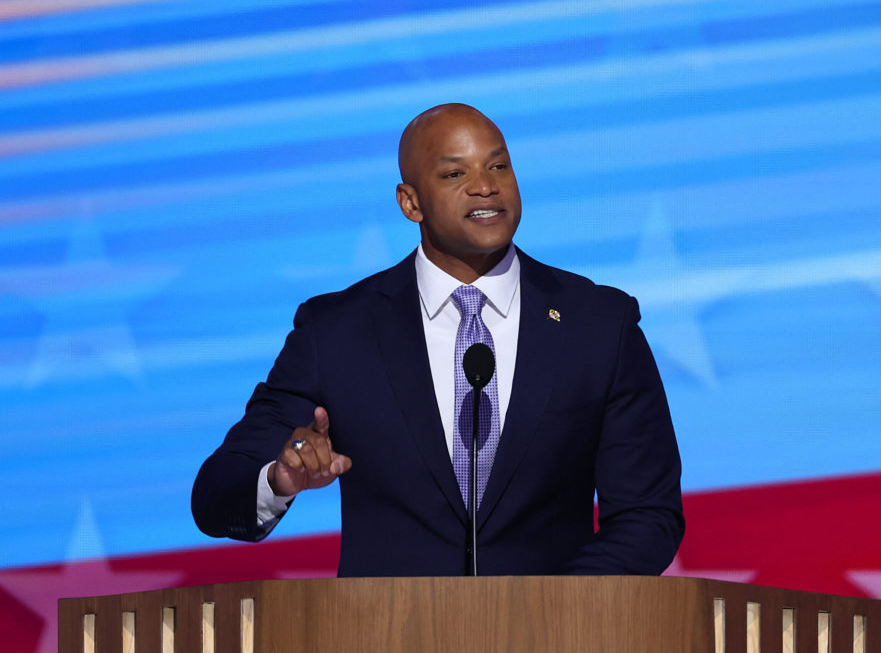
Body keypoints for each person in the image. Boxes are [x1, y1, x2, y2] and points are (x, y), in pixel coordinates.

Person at [192, 103, 684, 576]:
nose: (485, 187)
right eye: (455, 175)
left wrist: (549, 616)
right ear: (410, 202)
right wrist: (280, 480)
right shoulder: (338, 332)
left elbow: (648, 515)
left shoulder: (597, 323)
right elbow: (216, 494)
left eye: (499, 167)